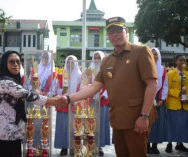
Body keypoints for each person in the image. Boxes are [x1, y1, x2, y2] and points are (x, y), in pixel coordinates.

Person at [59, 17, 158, 157]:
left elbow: (152, 84)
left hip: (137, 118)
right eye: (111, 32)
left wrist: (144, 116)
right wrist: (68, 98)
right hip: (117, 118)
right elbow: (93, 87)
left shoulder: (141, 51)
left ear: (126, 31)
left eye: (118, 30)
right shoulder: (107, 60)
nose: (114, 35)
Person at [0, 50, 63, 157]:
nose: (16, 65)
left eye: (18, 62)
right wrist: (54, 101)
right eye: (12, 62)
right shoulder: (3, 82)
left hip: (13, 133)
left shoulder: (13, 81)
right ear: (5, 64)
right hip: (1, 134)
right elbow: (28, 95)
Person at [54, 55, 81, 156]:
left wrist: (75, 99)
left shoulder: (79, 75)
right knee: (63, 126)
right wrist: (62, 91)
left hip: (75, 104)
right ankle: (63, 147)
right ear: (66, 63)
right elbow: (56, 89)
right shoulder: (61, 75)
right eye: (68, 62)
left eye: (72, 62)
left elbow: (82, 89)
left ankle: (74, 146)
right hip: (63, 104)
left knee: (74, 126)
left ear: (76, 63)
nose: (70, 64)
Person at [165, 54, 188, 153]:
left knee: (183, 125)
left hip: (185, 104)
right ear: (176, 61)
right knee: (171, 125)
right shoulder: (170, 74)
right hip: (173, 104)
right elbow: (167, 89)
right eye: (180, 60)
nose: (182, 62)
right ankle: (169, 143)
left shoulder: (187, 74)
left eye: (184, 60)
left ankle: (180, 143)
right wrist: (178, 93)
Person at [147, 48, 168, 154]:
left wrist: (162, 99)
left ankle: (155, 145)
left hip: (158, 100)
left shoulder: (163, 70)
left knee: (157, 123)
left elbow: (165, 86)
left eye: (156, 54)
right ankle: (147, 145)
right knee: (148, 122)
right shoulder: (145, 68)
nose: (154, 56)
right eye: (152, 54)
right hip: (146, 100)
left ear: (159, 56)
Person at [91, 51, 110, 156]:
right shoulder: (89, 71)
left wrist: (104, 94)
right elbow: (85, 83)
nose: (97, 59)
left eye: (99, 58)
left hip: (102, 101)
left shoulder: (106, 71)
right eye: (95, 57)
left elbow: (110, 84)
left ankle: (100, 146)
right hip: (91, 101)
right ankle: (91, 144)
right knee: (91, 123)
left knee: (101, 123)